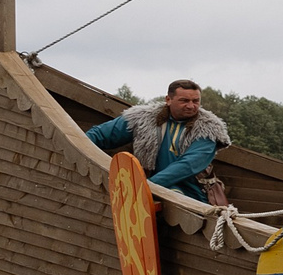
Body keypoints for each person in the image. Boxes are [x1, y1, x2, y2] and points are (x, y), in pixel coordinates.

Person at [86, 79, 231, 207]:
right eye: (184, 101)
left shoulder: (208, 129)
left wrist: (146, 186)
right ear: (168, 100)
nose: (191, 106)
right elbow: (99, 135)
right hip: (146, 188)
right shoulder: (143, 118)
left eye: (195, 101)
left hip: (191, 193)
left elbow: (188, 164)